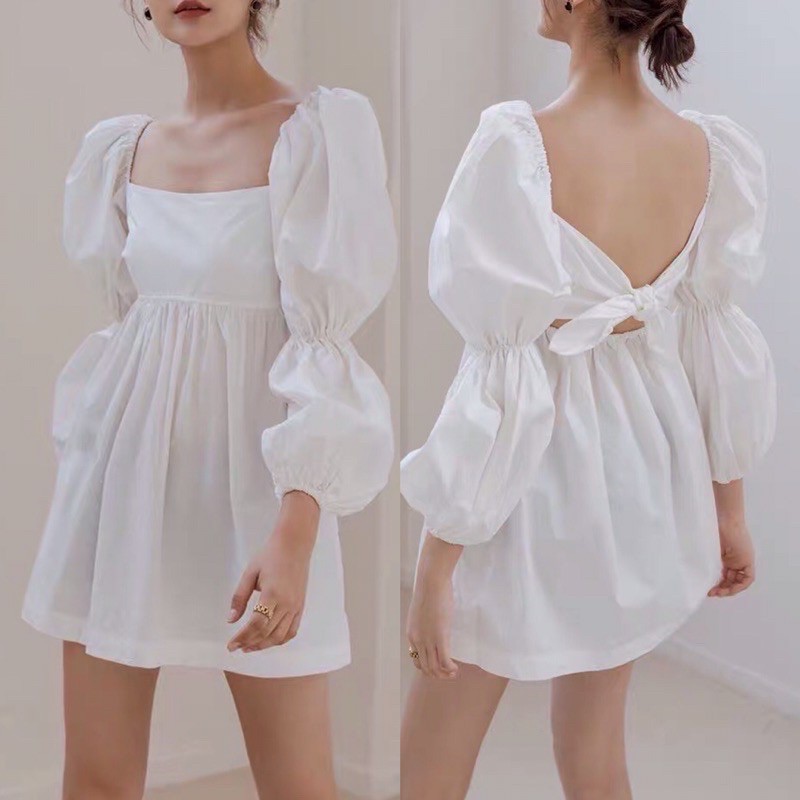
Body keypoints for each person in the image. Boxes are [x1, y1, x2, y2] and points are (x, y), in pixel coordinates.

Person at [400, 1, 775, 798]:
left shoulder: (520, 145)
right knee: (595, 748)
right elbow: (715, 348)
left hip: (527, 471)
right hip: (645, 466)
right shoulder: (705, 151)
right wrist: (729, 510)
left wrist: (435, 568)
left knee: (433, 761)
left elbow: (498, 379)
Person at [22, 1, 396, 797]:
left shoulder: (316, 134)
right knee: (96, 781)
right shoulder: (120, 152)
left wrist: (295, 530)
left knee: (298, 784)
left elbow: (325, 343)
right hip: (122, 490)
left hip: (263, 497)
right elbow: (137, 335)